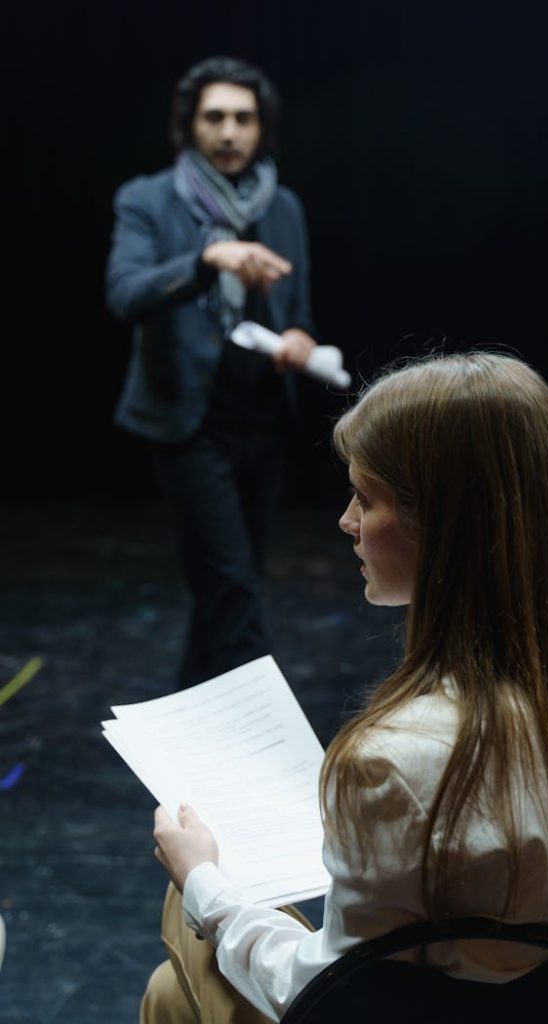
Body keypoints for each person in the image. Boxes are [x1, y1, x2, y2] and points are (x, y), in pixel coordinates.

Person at [143, 352, 548, 1023]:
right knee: (175, 990)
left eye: (365, 499)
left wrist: (203, 884)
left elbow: (329, 992)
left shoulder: (392, 759)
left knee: (188, 913)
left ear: (443, 529)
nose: (346, 521)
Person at [105, 56, 319, 687]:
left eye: (243, 119)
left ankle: (193, 722)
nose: (229, 131)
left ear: (262, 128)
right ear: (190, 126)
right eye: (215, 117)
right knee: (233, 588)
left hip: (263, 420)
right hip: (187, 424)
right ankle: (266, 732)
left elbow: (298, 308)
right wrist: (207, 259)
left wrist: (300, 340)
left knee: (224, 589)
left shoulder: (282, 206)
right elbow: (125, 294)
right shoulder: (147, 199)